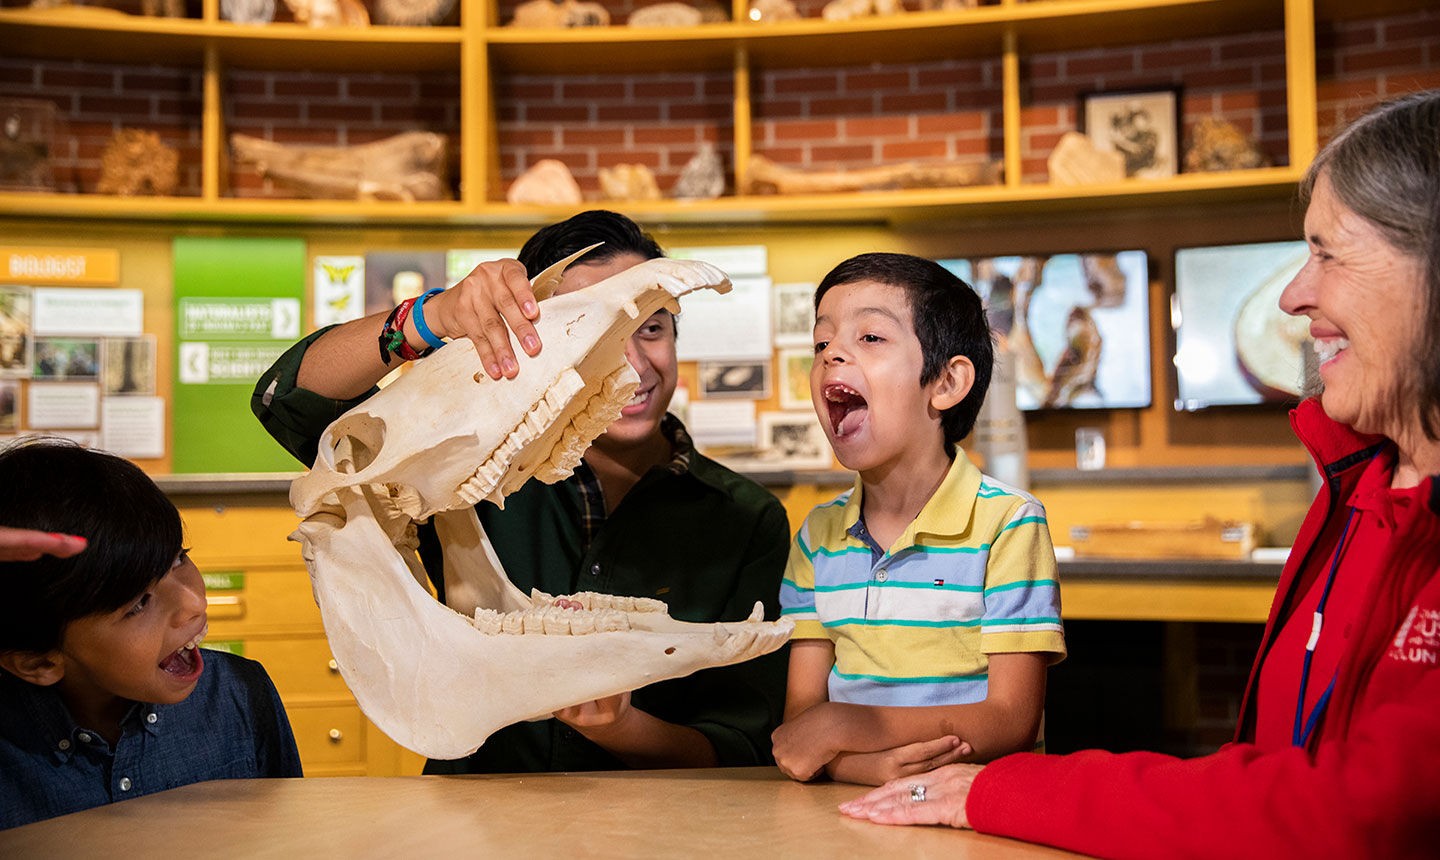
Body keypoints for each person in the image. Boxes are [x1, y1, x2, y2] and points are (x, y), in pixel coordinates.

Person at [839, 91, 1440, 859]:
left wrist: (991, 790)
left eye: (1328, 251)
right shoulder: (1359, 489)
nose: (1294, 293)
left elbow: (1354, 808)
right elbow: (1276, 768)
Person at [252, 210, 790, 774]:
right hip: (475, 817)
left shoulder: (747, 519)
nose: (632, 363)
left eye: (650, 328)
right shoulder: (457, 470)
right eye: (587, 332)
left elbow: (744, 748)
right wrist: (431, 316)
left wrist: (623, 728)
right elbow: (287, 402)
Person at [771, 253, 1066, 786]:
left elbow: (1010, 722)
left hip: (976, 816)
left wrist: (853, 726)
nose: (832, 354)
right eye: (821, 343)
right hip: (846, 818)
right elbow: (800, 731)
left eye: (871, 338)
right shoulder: (817, 537)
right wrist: (865, 764)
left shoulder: (1009, 523)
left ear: (948, 382)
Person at [0, 440, 302, 830]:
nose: (193, 602)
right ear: (40, 661)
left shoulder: (240, 693)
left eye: (178, 558)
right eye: (139, 603)